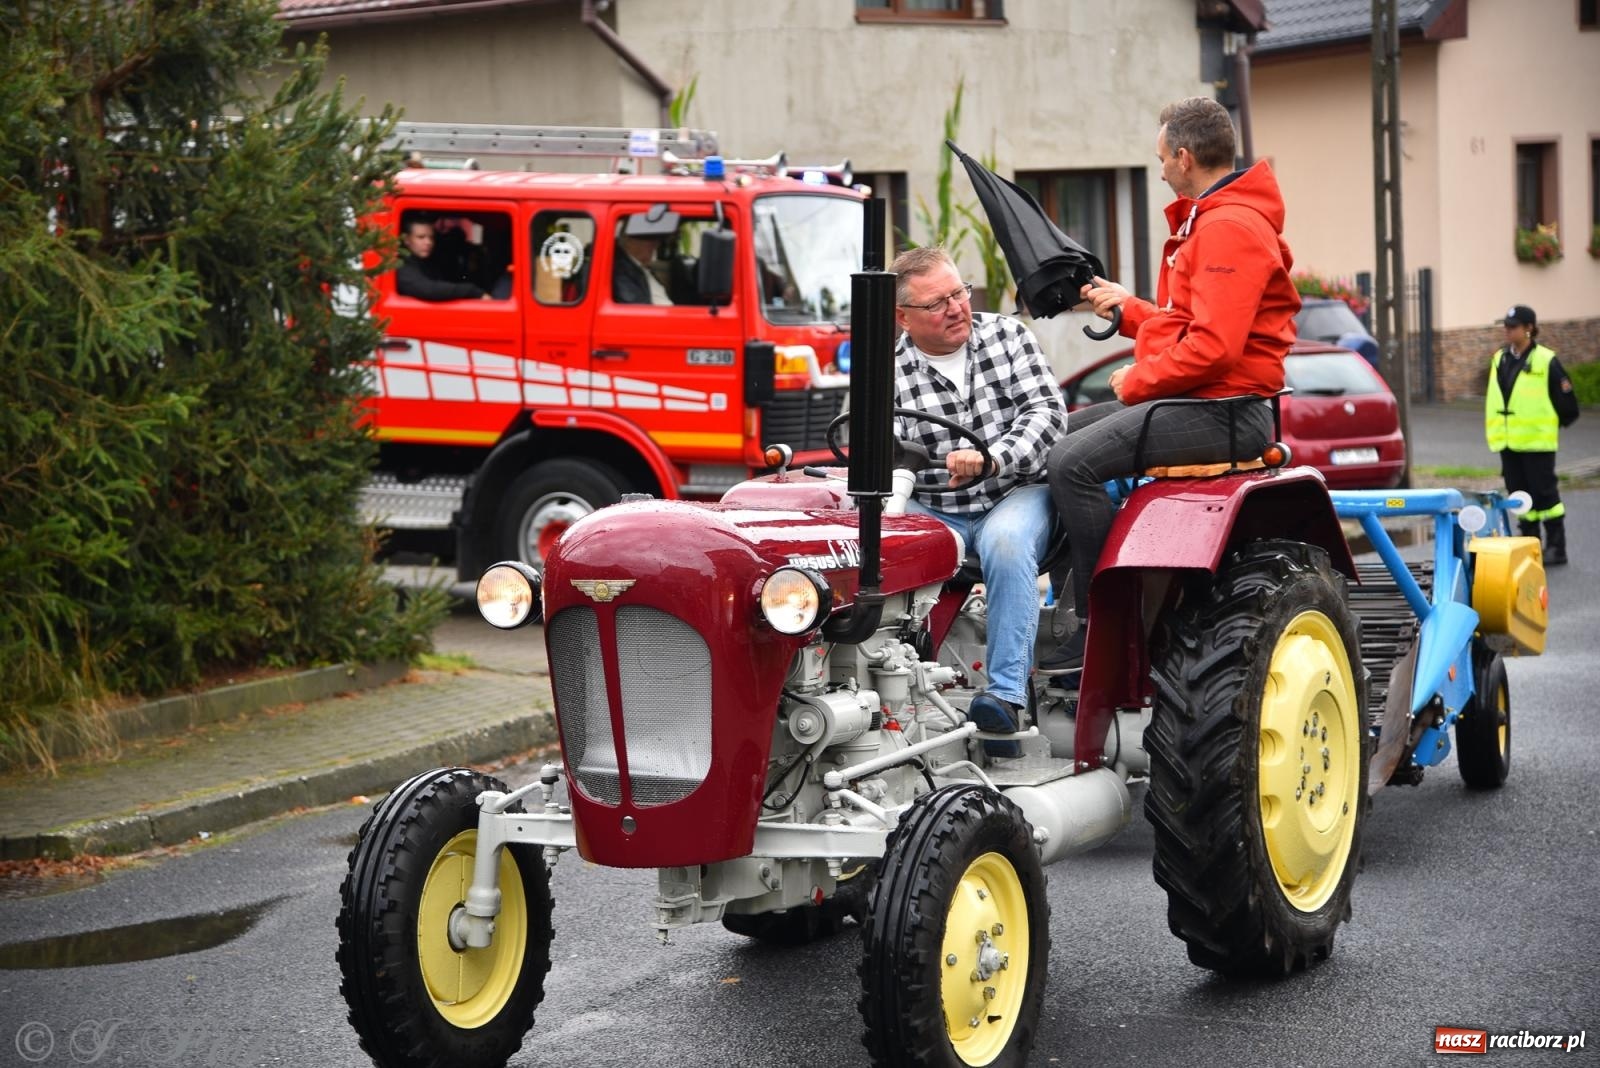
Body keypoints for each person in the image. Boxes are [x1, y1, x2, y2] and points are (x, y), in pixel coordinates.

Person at [1040, 96, 1299, 674]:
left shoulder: (1227, 227)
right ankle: (1069, 603)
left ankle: (1103, 623)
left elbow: (1216, 347)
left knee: (1070, 463)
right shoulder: (1213, 219)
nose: (1159, 171)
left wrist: (1138, 379)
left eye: (1161, 159)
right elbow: (1189, 323)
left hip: (1225, 412)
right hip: (1202, 402)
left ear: (1184, 157)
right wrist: (1129, 309)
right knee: (1052, 439)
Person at [889, 246, 1067, 752]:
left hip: (1015, 492)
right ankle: (894, 693)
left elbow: (1047, 414)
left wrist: (993, 458)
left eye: (958, 293)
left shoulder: (1008, 337)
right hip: (934, 507)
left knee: (1007, 544)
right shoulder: (886, 370)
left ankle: (1005, 697)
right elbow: (877, 452)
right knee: (878, 545)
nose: (956, 308)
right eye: (937, 303)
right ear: (903, 317)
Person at [1486, 304, 1579, 565]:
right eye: (1505, 326)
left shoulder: (1546, 360)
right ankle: (1529, 542)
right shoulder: (1500, 358)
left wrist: (1546, 426)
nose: (1507, 330)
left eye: (1513, 326)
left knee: (1545, 495)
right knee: (1519, 495)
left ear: (1529, 328)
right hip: (1508, 441)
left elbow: (1568, 405)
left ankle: (1556, 546)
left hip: (1537, 443)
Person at [396, 218, 491, 301]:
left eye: (431, 237)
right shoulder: (401, 264)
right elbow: (427, 289)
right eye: (421, 237)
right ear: (406, 240)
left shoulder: (427, 263)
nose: (428, 242)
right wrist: (472, 291)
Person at [613, 232, 673, 305]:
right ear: (630, 243)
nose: (655, 245)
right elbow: (636, 306)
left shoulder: (639, 267)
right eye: (650, 242)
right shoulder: (622, 271)